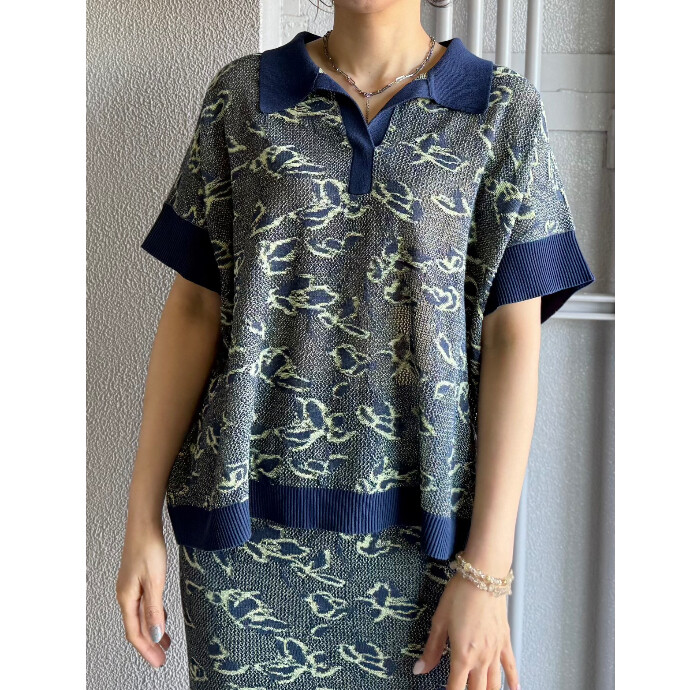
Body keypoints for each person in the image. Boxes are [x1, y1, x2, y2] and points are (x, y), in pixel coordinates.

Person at [116, 2, 595, 689]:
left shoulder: (500, 112)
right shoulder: (243, 97)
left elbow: (512, 340)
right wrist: (139, 520)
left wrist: (488, 570)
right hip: (241, 531)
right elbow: (194, 308)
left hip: (428, 545)